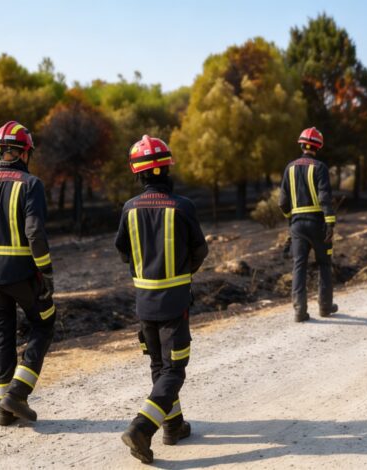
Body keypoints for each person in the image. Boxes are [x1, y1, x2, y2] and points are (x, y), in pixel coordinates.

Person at [115, 135, 208, 464]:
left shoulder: (129, 209)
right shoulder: (183, 207)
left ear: (137, 173)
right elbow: (200, 250)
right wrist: (184, 272)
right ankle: (142, 427)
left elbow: (123, 251)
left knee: (159, 365)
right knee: (174, 370)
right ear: (167, 167)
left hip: (144, 303)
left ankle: (174, 425)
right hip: (174, 302)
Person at [0, 121, 56, 424]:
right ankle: (17, 394)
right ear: (24, 153)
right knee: (43, 325)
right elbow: (34, 233)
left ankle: (4, 412)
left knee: (3, 336)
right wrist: (47, 272)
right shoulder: (31, 185)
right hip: (23, 274)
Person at [278, 127, 338, 322]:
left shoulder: (290, 168)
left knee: (299, 266)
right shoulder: (320, 168)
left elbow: (282, 203)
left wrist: (290, 218)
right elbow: (324, 197)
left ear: (301, 144)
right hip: (318, 224)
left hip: (297, 225)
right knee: (324, 264)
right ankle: (325, 307)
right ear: (318, 146)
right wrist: (330, 223)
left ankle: (299, 311)